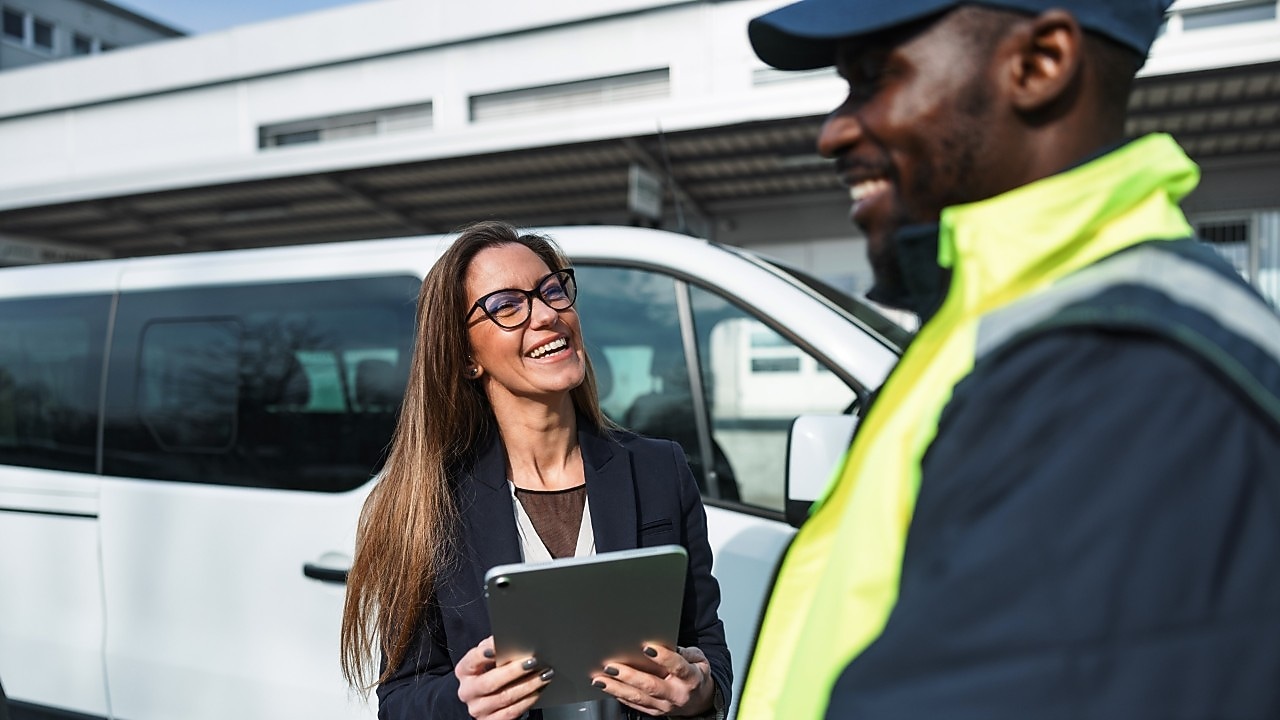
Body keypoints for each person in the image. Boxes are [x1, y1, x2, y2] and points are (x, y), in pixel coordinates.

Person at [737, 1, 1280, 719]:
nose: (833, 132)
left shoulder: (1121, 374)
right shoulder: (1005, 319)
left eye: (871, 77)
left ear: (1040, 63)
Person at [339, 220, 730, 720]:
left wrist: (698, 693)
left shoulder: (659, 469)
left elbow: (707, 649)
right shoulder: (427, 501)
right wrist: (465, 703)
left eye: (551, 291)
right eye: (507, 306)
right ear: (466, 358)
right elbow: (399, 701)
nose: (547, 314)